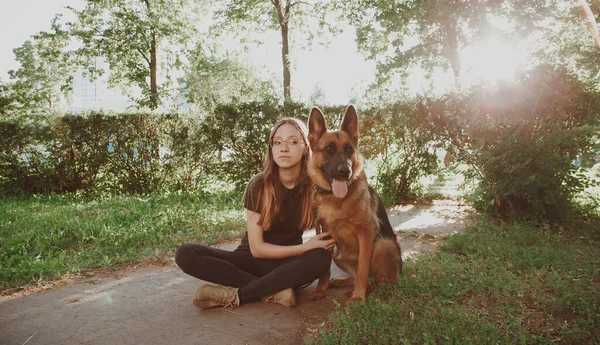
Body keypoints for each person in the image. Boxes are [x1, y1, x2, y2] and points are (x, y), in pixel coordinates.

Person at [175, 118, 336, 309]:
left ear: (305, 148)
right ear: (272, 149)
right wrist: (304, 248)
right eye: (277, 142)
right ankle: (272, 290)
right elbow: (257, 249)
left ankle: (238, 294)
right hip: (249, 261)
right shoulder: (258, 185)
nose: (284, 148)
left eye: (293, 141)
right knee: (185, 254)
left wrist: (313, 255)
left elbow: (328, 236)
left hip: (287, 266)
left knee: (320, 258)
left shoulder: (314, 187)